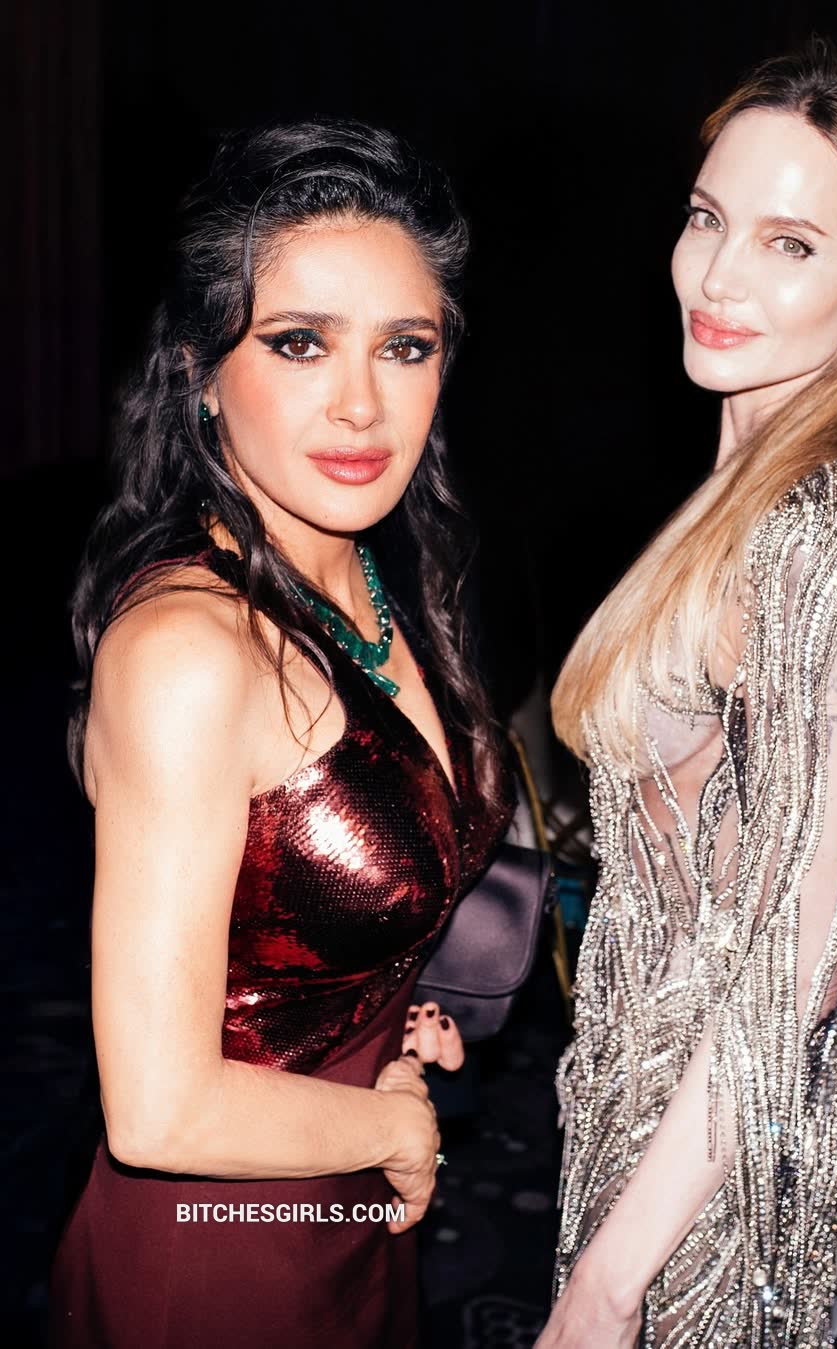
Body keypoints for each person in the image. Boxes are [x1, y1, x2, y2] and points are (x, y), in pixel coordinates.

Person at [47, 119, 511, 1349]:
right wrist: (392, 1126)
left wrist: (383, 1002)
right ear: (201, 370)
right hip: (215, 1249)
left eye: (405, 346)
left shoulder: (367, 573)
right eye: (300, 342)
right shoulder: (191, 654)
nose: (361, 403)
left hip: (346, 1198)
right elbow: (158, 1109)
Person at [539, 38, 837, 1348]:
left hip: (696, 1150)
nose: (717, 276)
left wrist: (612, 1280)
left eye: (789, 243)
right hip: (656, 1092)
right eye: (707, 217)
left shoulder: (811, 537)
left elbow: (796, 966)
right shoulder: (766, 484)